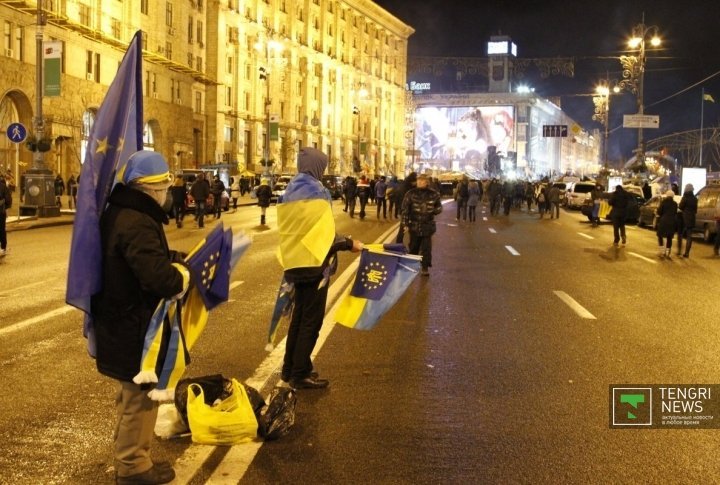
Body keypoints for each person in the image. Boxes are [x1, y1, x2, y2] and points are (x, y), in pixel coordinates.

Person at [91, 150, 189, 485]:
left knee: (132, 395)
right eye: (164, 185)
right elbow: (158, 279)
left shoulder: (126, 212)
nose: (167, 192)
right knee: (139, 398)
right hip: (132, 326)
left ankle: (133, 458)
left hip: (122, 323)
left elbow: (143, 259)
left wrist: (174, 257)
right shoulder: (137, 220)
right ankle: (133, 467)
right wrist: (182, 277)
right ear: (152, 187)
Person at [277, 147, 363, 389]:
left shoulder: (289, 190)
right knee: (310, 322)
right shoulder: (317, 191)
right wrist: (349, 243)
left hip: (293, 263)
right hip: (314, 265)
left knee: (298, 319)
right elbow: (323, 234)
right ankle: (300, 373)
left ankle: (289, 368)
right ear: (316, 166)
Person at [401, 173, 442, 276]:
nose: (419, 182)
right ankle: (412, 265)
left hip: (427, 225)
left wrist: (433, 210)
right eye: (418, 180)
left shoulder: (434, 194)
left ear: (427, 182)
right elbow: (405, 209)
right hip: (414, 224)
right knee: (414, 246)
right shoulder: (410, 193)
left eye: (422, 180)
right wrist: (405, 224)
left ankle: (425, 267)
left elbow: (439, 207)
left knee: (426, 248)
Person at [656, 190, 679, 259]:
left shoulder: (663, 202)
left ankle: (662, 251)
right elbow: (675, 213)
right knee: (669, 237)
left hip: (664, 221)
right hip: (672, 222)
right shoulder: (675, 204)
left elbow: (659, 212)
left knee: (660, 235)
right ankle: (667, 252)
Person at [677, 183, 697, 258]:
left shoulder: (685, 197)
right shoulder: (695, 199)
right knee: (689, 236)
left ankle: (679, 250)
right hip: (692, 218)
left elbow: (681, 207)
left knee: (680, 234)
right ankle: (687, 253)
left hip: (683, 218)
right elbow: (695, 210)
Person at [0, 175, 11, 257]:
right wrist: (6, 207)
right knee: (2, 229)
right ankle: (3, 247)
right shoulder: (3, 187)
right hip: (1, 212)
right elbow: (8, 200)